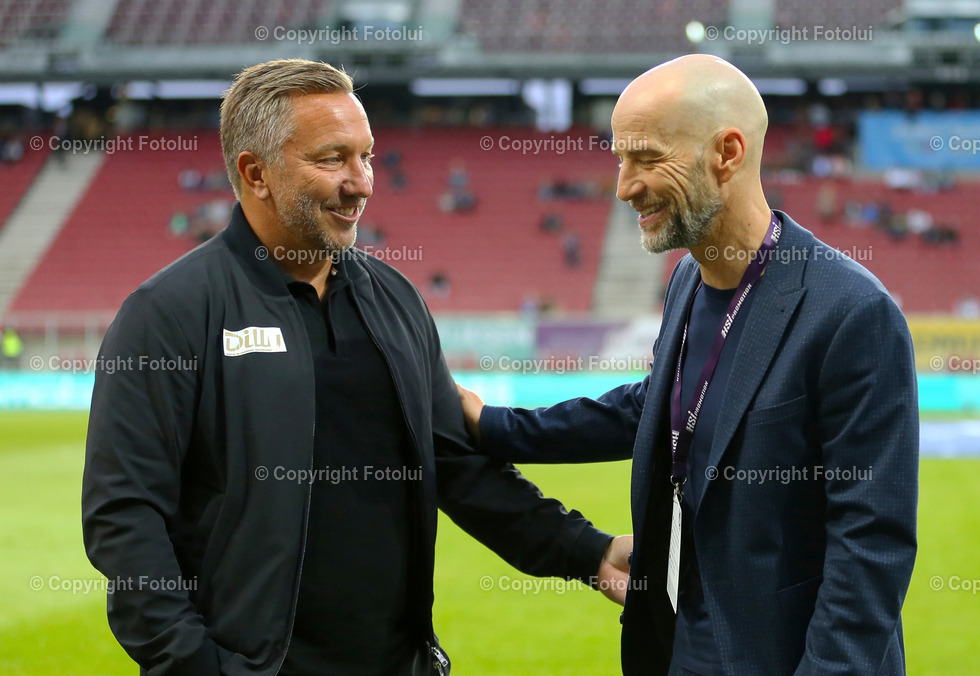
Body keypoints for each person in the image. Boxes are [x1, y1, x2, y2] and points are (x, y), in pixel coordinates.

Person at [82, 59, 630, 676]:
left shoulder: (395, 299)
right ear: (255, 173)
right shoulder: (169, 313)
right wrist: (197, 666)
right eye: (333, 159)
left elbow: (456, 465)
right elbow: (123, 517)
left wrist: (589, 552)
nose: (363, 182)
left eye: (367, 156)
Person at [459, 54, 918, 676]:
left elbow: (871, 546)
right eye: (620, 159)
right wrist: (496, 427)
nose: (623, 186)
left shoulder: (852, 311)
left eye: (646, 159)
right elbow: (660, 404)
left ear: (727, 152)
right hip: (678, 644)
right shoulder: (687, 282)